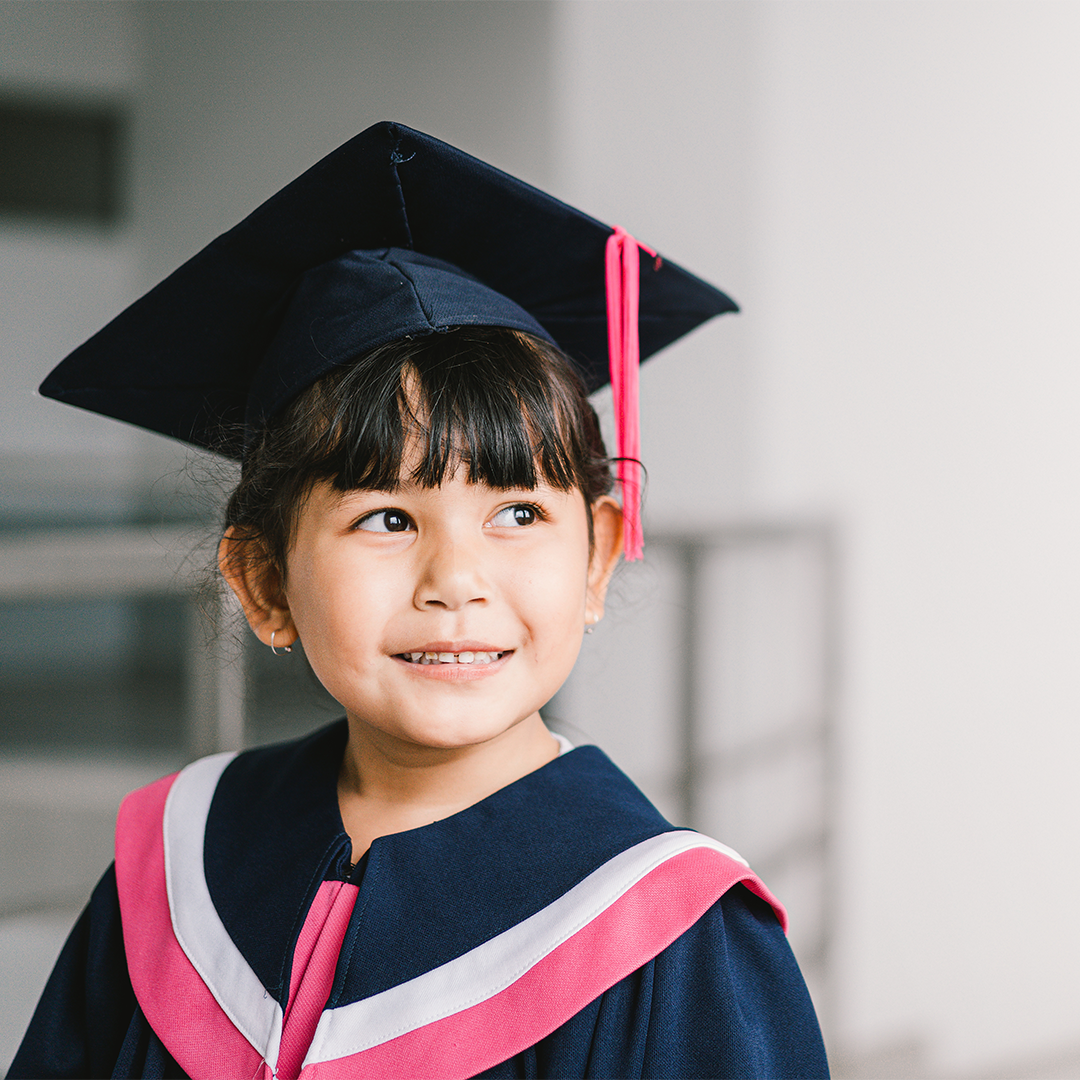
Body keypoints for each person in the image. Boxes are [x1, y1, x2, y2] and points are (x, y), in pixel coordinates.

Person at [10, 121, 830, 1079]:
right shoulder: (178, 861)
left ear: (598, 557)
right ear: (265, 582)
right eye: (387, 519)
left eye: (518, 512)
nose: (455, 582)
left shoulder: (672, 937)